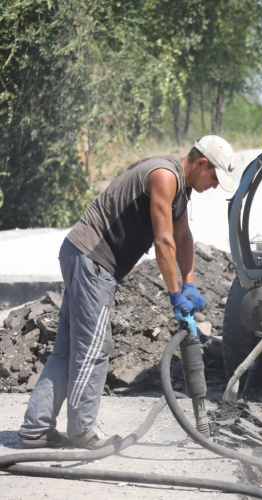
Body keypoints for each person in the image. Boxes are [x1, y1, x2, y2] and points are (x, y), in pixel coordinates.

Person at [17, 135, 235, 449]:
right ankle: (83, 430)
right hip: (92, 259)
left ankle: (35, 429)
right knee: (93, 348)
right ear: (201, 163)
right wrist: (175, 295)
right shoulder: (164, 176)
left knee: (67, 349)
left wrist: (190, 284)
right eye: (214, 177)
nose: (215, 185)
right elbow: (164, 241)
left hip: (83, 256)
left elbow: (183, 236)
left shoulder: (181, 188)